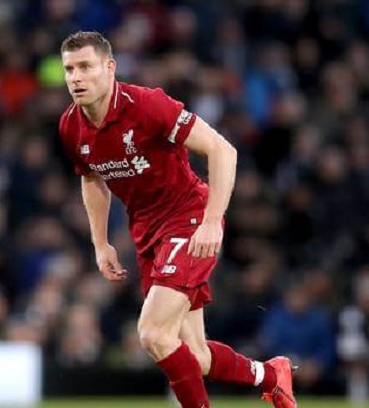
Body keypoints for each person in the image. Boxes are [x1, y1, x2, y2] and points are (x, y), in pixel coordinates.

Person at [58, 31, 297, 408]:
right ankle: (270, 375)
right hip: (147, 233)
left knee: (152, 333)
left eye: (85, 67)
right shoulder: (71, 126)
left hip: (188, 219)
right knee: (194, 356)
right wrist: (100, 242)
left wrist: (211, 220)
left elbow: (223, 149)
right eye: (69, 69)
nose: (76, 77)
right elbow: (91, 178)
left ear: (109, 68)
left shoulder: (148, 105)